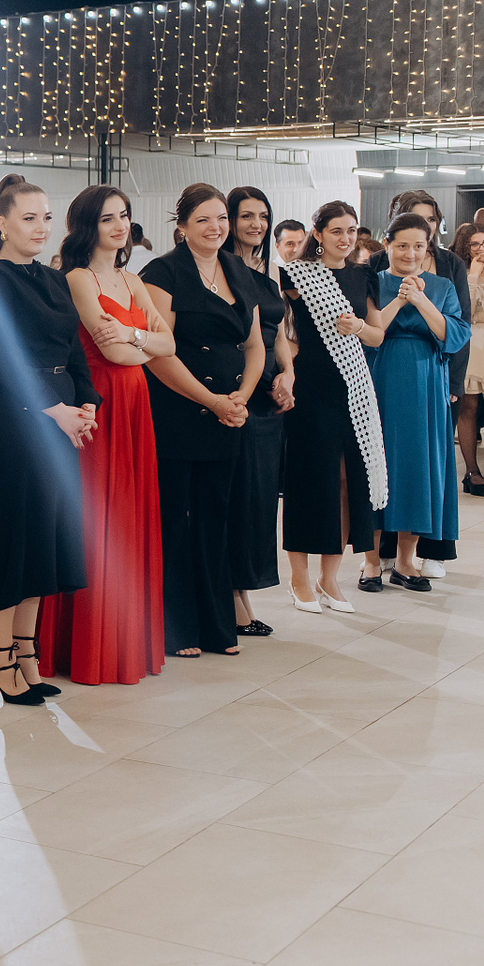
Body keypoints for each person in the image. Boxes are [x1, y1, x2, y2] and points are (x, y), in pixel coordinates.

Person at [0, 175, 99, 705]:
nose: (41, 227)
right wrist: (55, 410)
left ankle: (27, 653)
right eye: (28, 218)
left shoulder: (54, 278)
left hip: (61, 412)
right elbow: (4, 356)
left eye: (46, 217)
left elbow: (74, 348)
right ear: (2, 224)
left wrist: (86, 402)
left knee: (44, 539)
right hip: (16, 417)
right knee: (12, 539)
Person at [36, 185, 171, 685]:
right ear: (86, 226)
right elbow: (112, 353)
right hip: (100, 402)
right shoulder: (79, 278)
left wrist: (134, 337)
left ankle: (124, 642)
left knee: (130, 515)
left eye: (124, 216)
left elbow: (167, 343)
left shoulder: (132, 280)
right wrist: (145, 345)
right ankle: (86, 645)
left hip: (137, 404)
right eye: (108, 218)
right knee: (97, 517)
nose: (119, 226)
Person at [142, 184, 265, 659]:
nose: (216, 228)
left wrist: (241, 399)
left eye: (221, 219)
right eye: (203, 220)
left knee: (217, 518)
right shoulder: (163, 272)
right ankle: (177, 629)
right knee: (176, 520)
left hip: (228, 415)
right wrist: (212, 401)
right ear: (182, 227)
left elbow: (253, 344)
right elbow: (159, 353)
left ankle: (217, 627)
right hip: (179, 408)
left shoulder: (237, 269)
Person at [282, 201, 386, 613]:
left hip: (353, 391)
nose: (346, 238)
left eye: (352, 230)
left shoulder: (363, 276)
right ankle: (299, 579)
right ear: (319, 233)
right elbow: (278, 329)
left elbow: (377, 335)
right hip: (310, 389)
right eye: (337, 230)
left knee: (347, 483)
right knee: (308, 482)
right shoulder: (294, 275)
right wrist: (286, 366)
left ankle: (329, 578)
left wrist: (358, 327)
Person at [359, 212, 471, 591]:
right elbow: (365, 332)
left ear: (428, 248)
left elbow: (453, 336)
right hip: (379, 376)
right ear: (387, 244)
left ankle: (406, 561)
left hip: (427, 383)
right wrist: (399, 299)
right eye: (402, 245)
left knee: (418, 465)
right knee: (377, 463)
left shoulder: (441, 286)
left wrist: (420, 300)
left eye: (418, 246)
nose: (410, 253)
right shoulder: (372, 281)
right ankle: (370, 562)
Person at [226, 187, 298, 639]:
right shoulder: (221, 270)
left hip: (270, 395)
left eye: (263, 216)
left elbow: (278, 334)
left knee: (259, 500)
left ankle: (242, 593)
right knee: (239, 497)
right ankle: (233, 597)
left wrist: (288, 373)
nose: (256, 224)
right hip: (239, 390)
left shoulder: (267, 272)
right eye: (246, 216)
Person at [457, 222, 484, 495]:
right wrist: (474, 276)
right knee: (469, 407)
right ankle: (472, 471)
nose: (480, 249)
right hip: (470, 342)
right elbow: (467, 312)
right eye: (474, 244)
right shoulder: (461, 273)